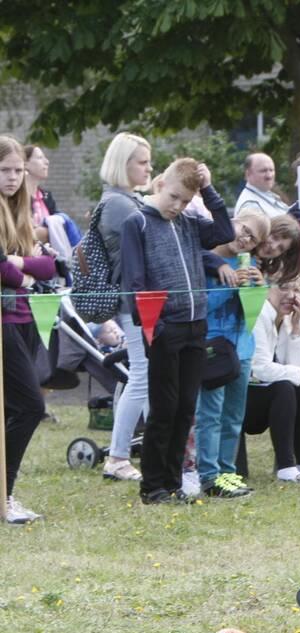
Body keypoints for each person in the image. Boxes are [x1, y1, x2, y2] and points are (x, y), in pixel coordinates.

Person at [119, 158, 235, 504]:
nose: (177, 206)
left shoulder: (187, 221)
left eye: (185, 200)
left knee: (186, 406)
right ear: (159, 185)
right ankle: (153, 485)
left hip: (195, 323)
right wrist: (152, 325)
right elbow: (134, 280)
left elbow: (225, 233)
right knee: (164, 407)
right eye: (173, 197)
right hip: (163, 326)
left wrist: (209, 191)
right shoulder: (136, 221)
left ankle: (172, 482)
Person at [1, 136, 56, 523]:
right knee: (31, 406)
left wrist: (18, 264)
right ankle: (4, 496)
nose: (13, 178)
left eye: (18, 170)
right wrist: (25, 269)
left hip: (24, 317)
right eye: (5, 170)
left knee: (11, 410)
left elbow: (50, 268)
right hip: (3, 320)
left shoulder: (22, 212)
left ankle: (5, 495)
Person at [193, 210, 268, 499]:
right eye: (244, 229)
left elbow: (252, 314)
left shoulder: (249, 264)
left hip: (243, 347)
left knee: (234, 415)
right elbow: (203, 306)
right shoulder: (206, 259)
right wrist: (231, 282)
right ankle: (209, 475)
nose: (245, 239)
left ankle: (228, 471)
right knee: (210, 413)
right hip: (214, 347)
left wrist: (256, 289)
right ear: (232, 223)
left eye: (253, 238)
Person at [98, 132, 153, 483]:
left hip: (137, 300)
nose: (149, 168)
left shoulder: (126, 200)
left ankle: (156, 448)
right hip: (133, 302)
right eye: (142, 162)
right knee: (142, 378)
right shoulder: (119, 205)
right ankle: (118, 456)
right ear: (124, 164)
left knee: (145, 377)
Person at [246, 283, 300, 484]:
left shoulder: (294, 318)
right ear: (267, 288)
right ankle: (286, 467)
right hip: (245, 396)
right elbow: (261, 368)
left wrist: (297, 329)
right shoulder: (259, 314)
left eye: (296, 290)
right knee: (285, 387)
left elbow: (299, 367)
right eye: (283, 288)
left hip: (272, 394)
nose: (290, 296)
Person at [234, 152, 290, 217]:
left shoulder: (266, 195)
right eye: (263, 171)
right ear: (248, 174)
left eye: (271, 170)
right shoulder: (250, 205)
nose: (269, 176)